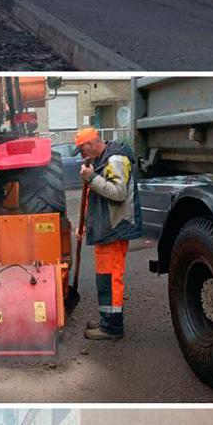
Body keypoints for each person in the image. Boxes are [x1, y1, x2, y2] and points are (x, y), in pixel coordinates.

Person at [74, 126, 143, 340]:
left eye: (82, 150)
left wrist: (92, 178)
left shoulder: (115, 160)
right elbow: (96, 199)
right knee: (104, 279)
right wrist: (85, 224)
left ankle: (112, 328)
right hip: (106, 228)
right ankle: (107, 321)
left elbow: (118, 193)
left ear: (91, 144)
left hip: (114, 228)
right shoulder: (101, 159)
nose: (83, 155)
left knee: (111, 278)